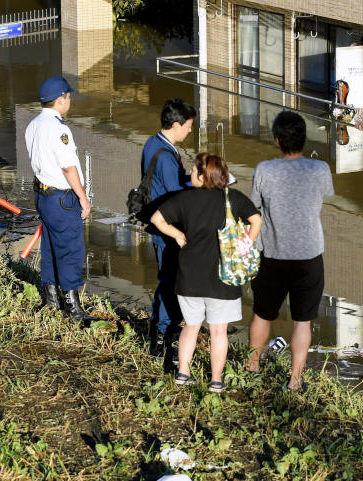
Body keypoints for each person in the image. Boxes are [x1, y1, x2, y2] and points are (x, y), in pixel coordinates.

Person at [150, 153, 261, 390]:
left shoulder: (185, 199)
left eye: (193, 170)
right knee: (219, 331)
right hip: (224, 277)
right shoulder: (234, 198)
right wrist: (245, 243)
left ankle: (182, 373)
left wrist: (178, 235)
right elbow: (257, 220)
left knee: (191, 326)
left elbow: (156, 219)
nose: (190, 173)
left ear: (203, 175)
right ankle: (216, 380)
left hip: (190, 275)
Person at [247, 111, 334, 390]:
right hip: (308, 256)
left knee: (262, 313)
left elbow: (254, 208)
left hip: (271, 254)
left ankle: (252, 367)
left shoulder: (263, 169)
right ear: (304, 140)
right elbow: (323, 197)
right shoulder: (320, 170)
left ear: (276, 141)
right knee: (302, 320)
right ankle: (295, 381)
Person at [24, 76, 93, 320]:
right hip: (62, 198)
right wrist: (83, 198)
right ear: (61, 99)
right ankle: (72, 307)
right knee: (70, 249)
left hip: (42, 195)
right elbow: (68, 167)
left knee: (51, 247)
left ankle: (51, 299)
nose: (70, 100)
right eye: (68, 96)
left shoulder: (33, 125)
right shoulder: (59, 128)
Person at [141, 98, 196, 357]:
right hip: (167, 228)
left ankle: (156, 331)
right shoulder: (167, 158)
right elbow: (177, 195)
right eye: (188, 126)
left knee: (165, 278)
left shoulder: (153, 143)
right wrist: (199, 186)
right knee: (170, 281)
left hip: (157, 221)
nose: (190, 130)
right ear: (176, 124)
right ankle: (162, 337)